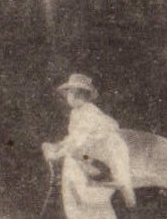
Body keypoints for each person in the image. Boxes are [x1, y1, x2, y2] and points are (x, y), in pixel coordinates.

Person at [42, 73, 136, 208]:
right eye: (69, 93)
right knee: (78, 154)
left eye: (72, 93)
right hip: (93, 149)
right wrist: (59, 145)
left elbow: (81, 139)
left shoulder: (89, 112)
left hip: (110, 148)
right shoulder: (76, 113)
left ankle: (129, 202)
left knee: (123, 181)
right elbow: (74, 136)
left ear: (80, 95)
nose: (69, 96)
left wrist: (59, 151)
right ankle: (91, 173)